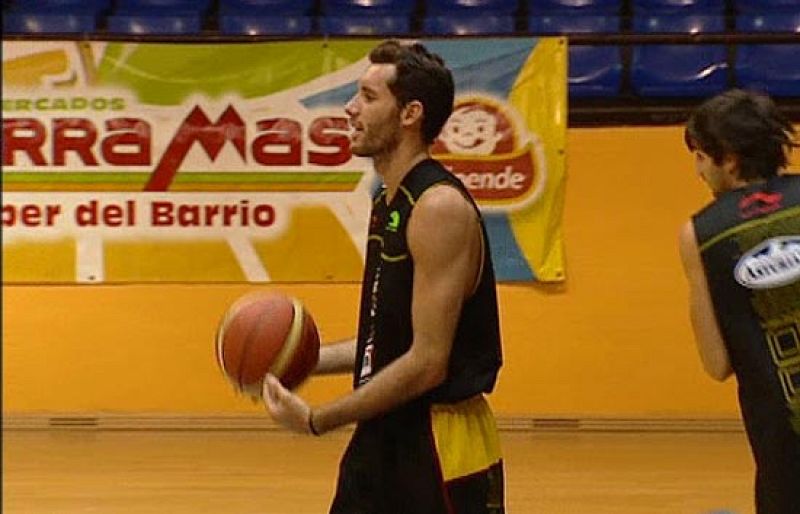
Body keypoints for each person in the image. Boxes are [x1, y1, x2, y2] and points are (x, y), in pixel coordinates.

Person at [261, 40, 505, 514]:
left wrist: (318, 419)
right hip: (382, 432)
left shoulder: (439, 207)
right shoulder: (388, 201)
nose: (350, 109)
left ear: (411, 113)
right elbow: (386, 341)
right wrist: (298, 359)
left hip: (438, 441)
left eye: (369, 97)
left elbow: (428, 361)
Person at [678, 89, 800, 513]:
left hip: (783, 436)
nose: (698, 169)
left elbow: (717, 363)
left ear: (728, 158)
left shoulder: (701, 233)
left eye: (700, 156)